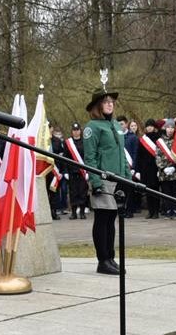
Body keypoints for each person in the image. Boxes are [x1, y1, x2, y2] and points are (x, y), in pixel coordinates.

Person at [81, 88, 128, 275]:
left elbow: (121, 154)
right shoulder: (92, 127)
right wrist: (96, 182)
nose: (110, 104)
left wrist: (127, 177)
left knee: (111, 220)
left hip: (117, 178)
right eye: (106, 101)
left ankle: (110, 257)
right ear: (97, 106)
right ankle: (103, 260)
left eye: (111, 101)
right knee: (102, 219)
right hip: (102, 178)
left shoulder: (116, 125)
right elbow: (90, 158)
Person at [139, 119, 164, 218]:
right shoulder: (143, 139)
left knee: (156, 190)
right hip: (145, 168)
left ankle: (156, 211)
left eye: (151, 126)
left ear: (154, 127)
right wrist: (139, 169)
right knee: (148, 190)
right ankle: (150, 211)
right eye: (147, 126)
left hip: (155, 168)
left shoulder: (158, 138)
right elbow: (139, 155)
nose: (149, 127)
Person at [66, 123, 91, 219]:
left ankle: (82, 212)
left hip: (82, 172)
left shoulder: (85, 142)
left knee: (82, 191)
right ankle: (73, 212)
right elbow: (65, 157)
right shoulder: (68, 142)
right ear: (72, 131)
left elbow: (88, 157)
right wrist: (65, 172)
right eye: (74, 130)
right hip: (72, 171)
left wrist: (88, 171)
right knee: (73, 192)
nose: (76, 132)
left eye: (77, 130)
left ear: (80, 131)